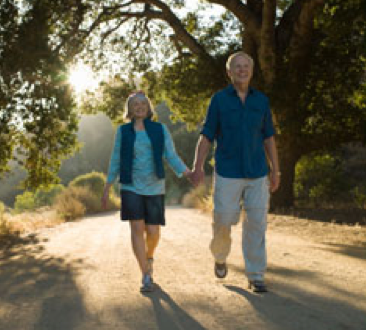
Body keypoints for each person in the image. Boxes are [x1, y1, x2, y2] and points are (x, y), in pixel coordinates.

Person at [190, 51, 280, 293]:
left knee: (257, 224)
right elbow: (207, 135)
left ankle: (256, 274)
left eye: (246, 66)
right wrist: (198, 166)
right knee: (223, 218)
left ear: (251, 71)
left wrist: (276, 170)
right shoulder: (219, 100)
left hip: (258, 171)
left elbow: (269, 137)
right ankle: (220, 256)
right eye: (237, 67)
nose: (242, 70)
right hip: (228, 172)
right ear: (229, 72)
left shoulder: (261, 101)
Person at [102, 91, 190, 293]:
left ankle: (149, 257)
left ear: (149, 108)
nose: (140, 106)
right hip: (130, 185)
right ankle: (145, 275)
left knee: (152, 231)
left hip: (155, 185)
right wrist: (107, 186)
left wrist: (187, 173)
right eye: (135, 104)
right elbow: (115, 158)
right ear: (130, 109)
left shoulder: (160, 129)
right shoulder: (123, 131)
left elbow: (171, 155)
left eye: (143, 103)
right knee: (136, 229)